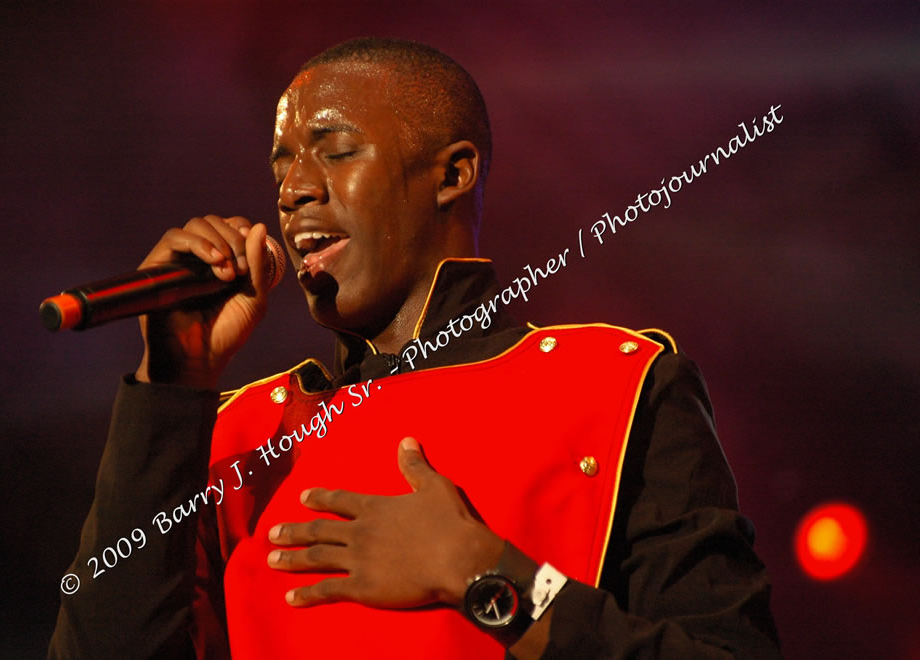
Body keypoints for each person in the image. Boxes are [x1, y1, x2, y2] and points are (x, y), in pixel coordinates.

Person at [49, 38, 781, 659]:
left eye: (333, 152)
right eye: (281, 168)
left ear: (452, 173)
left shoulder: (613, 385)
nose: (293, 189)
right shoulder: (238, 434)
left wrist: (486, 577)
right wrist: (170, 386)